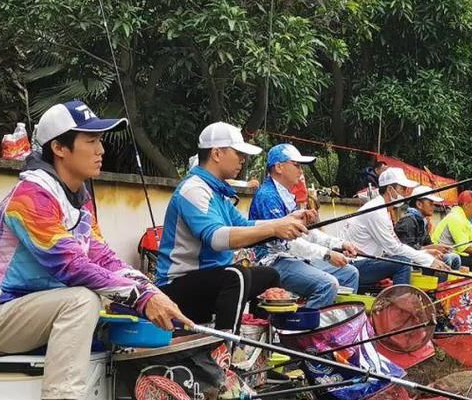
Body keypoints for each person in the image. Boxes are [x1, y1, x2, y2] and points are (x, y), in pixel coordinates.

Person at [0, 100, 189, 400]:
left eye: (101, 140)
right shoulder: (30, 200)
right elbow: (71, 265)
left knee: (111, 298)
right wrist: (140, 298)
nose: (101, 150)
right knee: (84, 298)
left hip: (33, 314)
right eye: (91, 141)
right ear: (60, 148)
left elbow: (105, 259)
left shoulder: (77, 201)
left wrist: (151, 291)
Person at [156, 123, 309, 331]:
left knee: (269, 275)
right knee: (236, 275)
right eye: (238, 153)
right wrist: (274, 228)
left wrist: (283, 222)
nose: (243, 160)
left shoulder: (217, 191)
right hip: (176, 286)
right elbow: (217, 238)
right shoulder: (194, 189)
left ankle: (259, 338)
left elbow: (244, 225)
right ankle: (226, 347)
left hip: (212, 279)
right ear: (217, 153)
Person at [250, 144, 360, 308]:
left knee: (349, 273)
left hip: (294, 258)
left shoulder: (287, 195)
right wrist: (327, 254)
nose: (301, 171)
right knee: (327, 284)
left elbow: (305, 233)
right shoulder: (268, 196)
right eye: (296, 165)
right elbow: (289, 243)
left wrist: (339, 244)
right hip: (273, 261)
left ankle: (336, 323)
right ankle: (304, 331)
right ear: (279, 167)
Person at [344, 168, 450, 290]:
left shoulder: (382, 209)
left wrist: (424, 253)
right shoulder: (377, 211)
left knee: (405, 260)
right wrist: (428, 260)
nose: (406, 193)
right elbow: (395, 249)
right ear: (390, 189)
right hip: (355, 265)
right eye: (403, 189)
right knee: (402, 264)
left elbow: (393, 247)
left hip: (366, 261)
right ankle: (401, 302)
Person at [393, 184, 461, 270]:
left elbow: (428, 243)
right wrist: (431, 248)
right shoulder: (407, 221)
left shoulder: (422, 221)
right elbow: (407, 249)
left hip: (420, 256)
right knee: (447, 259)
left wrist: (439, 248)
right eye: (430, 204)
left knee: (454, 257)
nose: (433, 207)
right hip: (409, 261)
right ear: (419, 204)